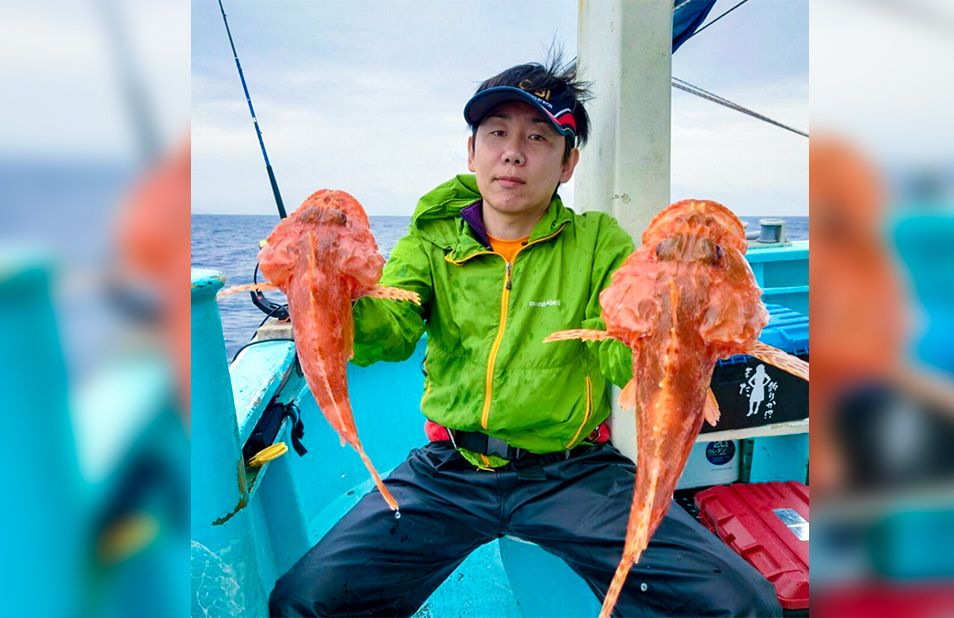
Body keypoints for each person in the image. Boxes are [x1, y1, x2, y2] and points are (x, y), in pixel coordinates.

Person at [269, 53, 781, 617]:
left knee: (741, 604)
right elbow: (390, 333)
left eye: (539, 136)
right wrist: (323, 295)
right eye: (496, 133)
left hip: (572, 471)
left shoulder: (598, 242)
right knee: (304, 599)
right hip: (451, 469)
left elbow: (620, 361)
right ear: (472, 150)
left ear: (567, 163)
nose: (513, 151)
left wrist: (687, 322)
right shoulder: (431, 238)